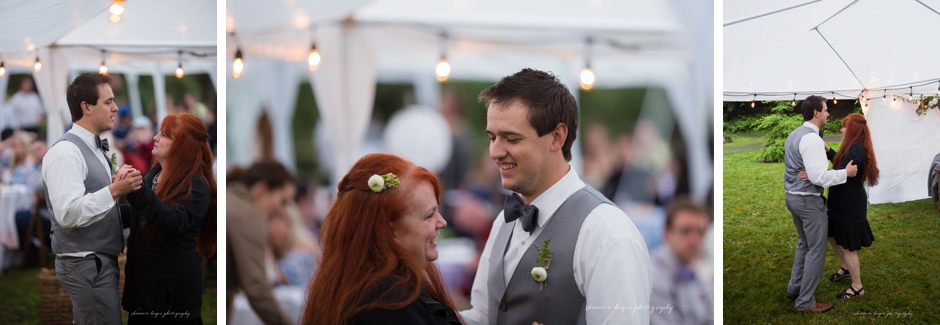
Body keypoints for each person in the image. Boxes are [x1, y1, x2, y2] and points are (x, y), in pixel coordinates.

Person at [460, 68, 650, 325]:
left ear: (557, 137)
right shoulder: (503, 221)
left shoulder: (607, 231)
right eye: (492, 137)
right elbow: (483, 316)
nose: (494, 151)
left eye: (511, 138)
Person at [302, 153, 461, 325]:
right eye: (429, 215)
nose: (442, 222)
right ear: (389, 229)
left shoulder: (369, 289)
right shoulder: (388, 306)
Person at [42, 73, 142, 324]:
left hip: (95, 260)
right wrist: (115, 190)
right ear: (86, 107)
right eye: (108, 101)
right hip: (84, 263)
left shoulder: (94, 147)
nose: (116, 108)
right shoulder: (66, 152)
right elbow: (68, 213)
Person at [115, 113, 217, 324]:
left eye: (164, 135)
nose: (155, 138)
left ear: (182, 146)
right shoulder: (157, 173)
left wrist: (136, 189)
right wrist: (108, 207)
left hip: (172, 294)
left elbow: (172, 220)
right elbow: (144, 214)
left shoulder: (195, 185)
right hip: (146, 286)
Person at [782, 95, 857, 313]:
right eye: (825, 110)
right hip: (807, 202)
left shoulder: (795, 134)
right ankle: (805, 302)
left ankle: (794, 288)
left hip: (792, 198)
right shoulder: (812, 139)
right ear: (816, 112)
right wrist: (847, 172)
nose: (827, 113)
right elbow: (819, 177)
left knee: (804, 244)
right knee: (816, 249)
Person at [800, 113, 879, 300]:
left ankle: (857, 286)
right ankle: (845, 268)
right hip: (841, 203)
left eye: (845, 127)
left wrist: (814, 175)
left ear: (853, 129)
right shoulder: (852, 146)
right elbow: (840, 164)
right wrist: (827, 148)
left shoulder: (855, 150)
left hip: (849, 205)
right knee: (832, 235)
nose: (841, 129)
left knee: (847, 247)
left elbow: (842, 173)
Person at [227, 160, 297, 325]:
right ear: (261, 189)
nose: (283, 210)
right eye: (283, 201)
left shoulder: (230, 197)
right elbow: (257, 290)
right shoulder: (249, 213)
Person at [650, 198, 713, 325]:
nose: (694, 240)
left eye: (701, 232)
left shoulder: (696, 271)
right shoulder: (652, 276)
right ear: (666, 233)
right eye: (686, 231)